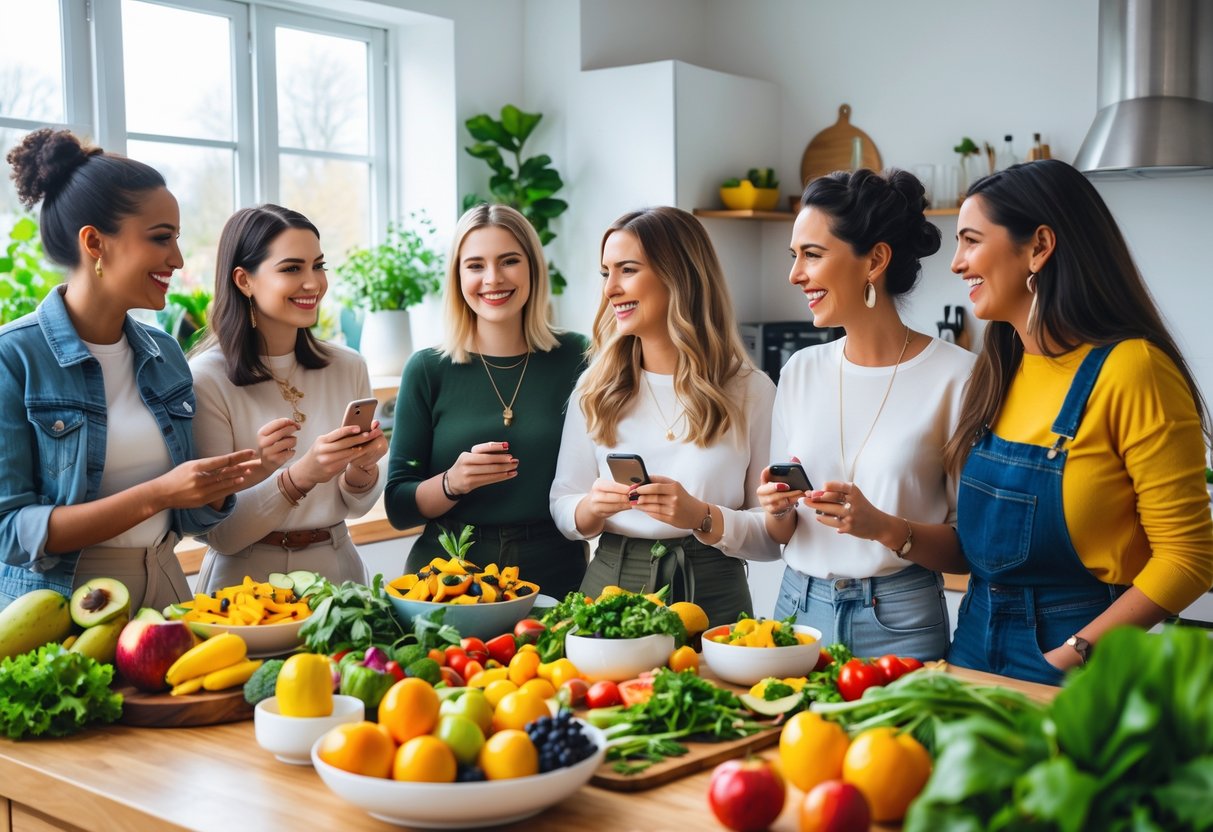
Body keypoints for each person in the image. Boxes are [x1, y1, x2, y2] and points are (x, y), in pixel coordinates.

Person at [944, 159, 1213, 684]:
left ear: (1039, 247)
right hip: (973, 638)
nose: (957, 263)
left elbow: (1189, 557)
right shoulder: (1001, 368)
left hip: (1080, 657)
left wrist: (1072, 653)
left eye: (971, 241)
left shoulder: (1133, 369)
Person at [0, 129, 258, 612]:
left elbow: (190, 519)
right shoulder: (13, 357)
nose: (178, 260)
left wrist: (223, 488)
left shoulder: (165, 353)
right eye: (161, 238)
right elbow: (11, 533)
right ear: (95, 242)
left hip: (165, 588)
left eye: (177, 239)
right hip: (60, 603)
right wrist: (158, 494)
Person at [755, 169, 975, 660]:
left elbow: (968, 548)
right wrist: (777, 509)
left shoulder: (957, 377)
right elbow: (780, 534)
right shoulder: (800, 371)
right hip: (796, 610)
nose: (795, 274)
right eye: (795, 257)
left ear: (875, 259)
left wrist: (882, 526)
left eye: (812, 255)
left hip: (899, 621)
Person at [550, 206, 777, 626]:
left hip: (716, 598)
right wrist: (592, 507)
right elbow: (563, 506)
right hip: (610, 590)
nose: (610, 289)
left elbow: (774, 536)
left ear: (679, 276)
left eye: (627, 270)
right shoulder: (594, 387)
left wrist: (702, 516)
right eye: (605, 273)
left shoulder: (751, 391)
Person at [385, 204, 589, 599]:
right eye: (475, 265)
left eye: (509, 261)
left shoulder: (577, 357)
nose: (492, 279)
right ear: (458, 275)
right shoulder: (427, 369)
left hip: (556, 572)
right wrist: (452, 482)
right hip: (448, 579)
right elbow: (398, 506)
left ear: (532, 268)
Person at [190, 205, 387, 591]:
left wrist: (363, 466)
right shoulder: (205, 379)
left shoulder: (348, 366)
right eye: (292, 268)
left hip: (339, 577)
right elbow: (221, 534)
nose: (313, 282)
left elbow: (358, 506)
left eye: (319, 265)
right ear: (244, 280)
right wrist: (302, 475)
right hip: (243, 585)